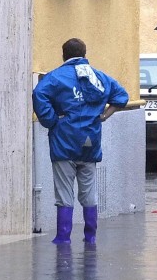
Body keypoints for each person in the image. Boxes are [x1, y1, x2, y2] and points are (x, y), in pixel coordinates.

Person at [32, 38, 129, 244]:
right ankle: (90, 237)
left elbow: (38, 93)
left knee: (64, 192)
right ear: (85, 54)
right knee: (89, 192)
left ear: (63, 55)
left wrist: (50, 120)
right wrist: (103, 116)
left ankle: (63, 237)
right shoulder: (99, 77)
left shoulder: (55, 78)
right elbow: (122, 96)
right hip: (90, 142)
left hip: (63, 142)